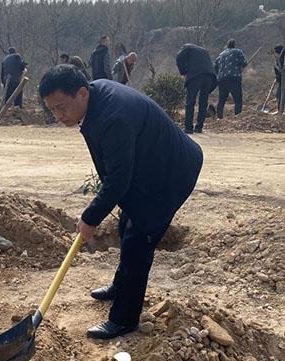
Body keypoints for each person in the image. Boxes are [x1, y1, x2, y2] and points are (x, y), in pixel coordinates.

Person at [39, 65, 203, 339]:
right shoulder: (95, 97)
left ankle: (124, 319)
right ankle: (120, 285)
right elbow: (116, 175)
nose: (57, 116)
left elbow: (117, 180)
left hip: (171, 173)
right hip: (150, 164)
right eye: (52, 110)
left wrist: (90, 218)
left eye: (61, 107)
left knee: (139, 239)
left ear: (81, 93)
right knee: (128, 221)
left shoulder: (112, 117)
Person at [176, 43, 217, 133]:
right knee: (203, 102)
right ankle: (199, 128)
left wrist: (183, 72)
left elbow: (179, 58)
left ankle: (188, 128)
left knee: (190, 101)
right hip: (210, 76)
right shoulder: (204, 50)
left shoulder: (186, 47)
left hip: (196, 76)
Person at [214, 40, 248, 119]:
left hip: (222, 79)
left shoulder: (221, 54)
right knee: (238, 100)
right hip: (234, 78)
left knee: (222, 100)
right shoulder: (238, 52)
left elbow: (215, 67)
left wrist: (219, 74)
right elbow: (244, 63)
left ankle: (219, 118)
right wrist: (240, 68)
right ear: (234, 45)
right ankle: (237, 117)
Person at [274, 45, 284, 112]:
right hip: (281, 81)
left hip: (282, 82)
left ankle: (280, 111)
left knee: (279, 95)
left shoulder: (280, 61)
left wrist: (278, 78)